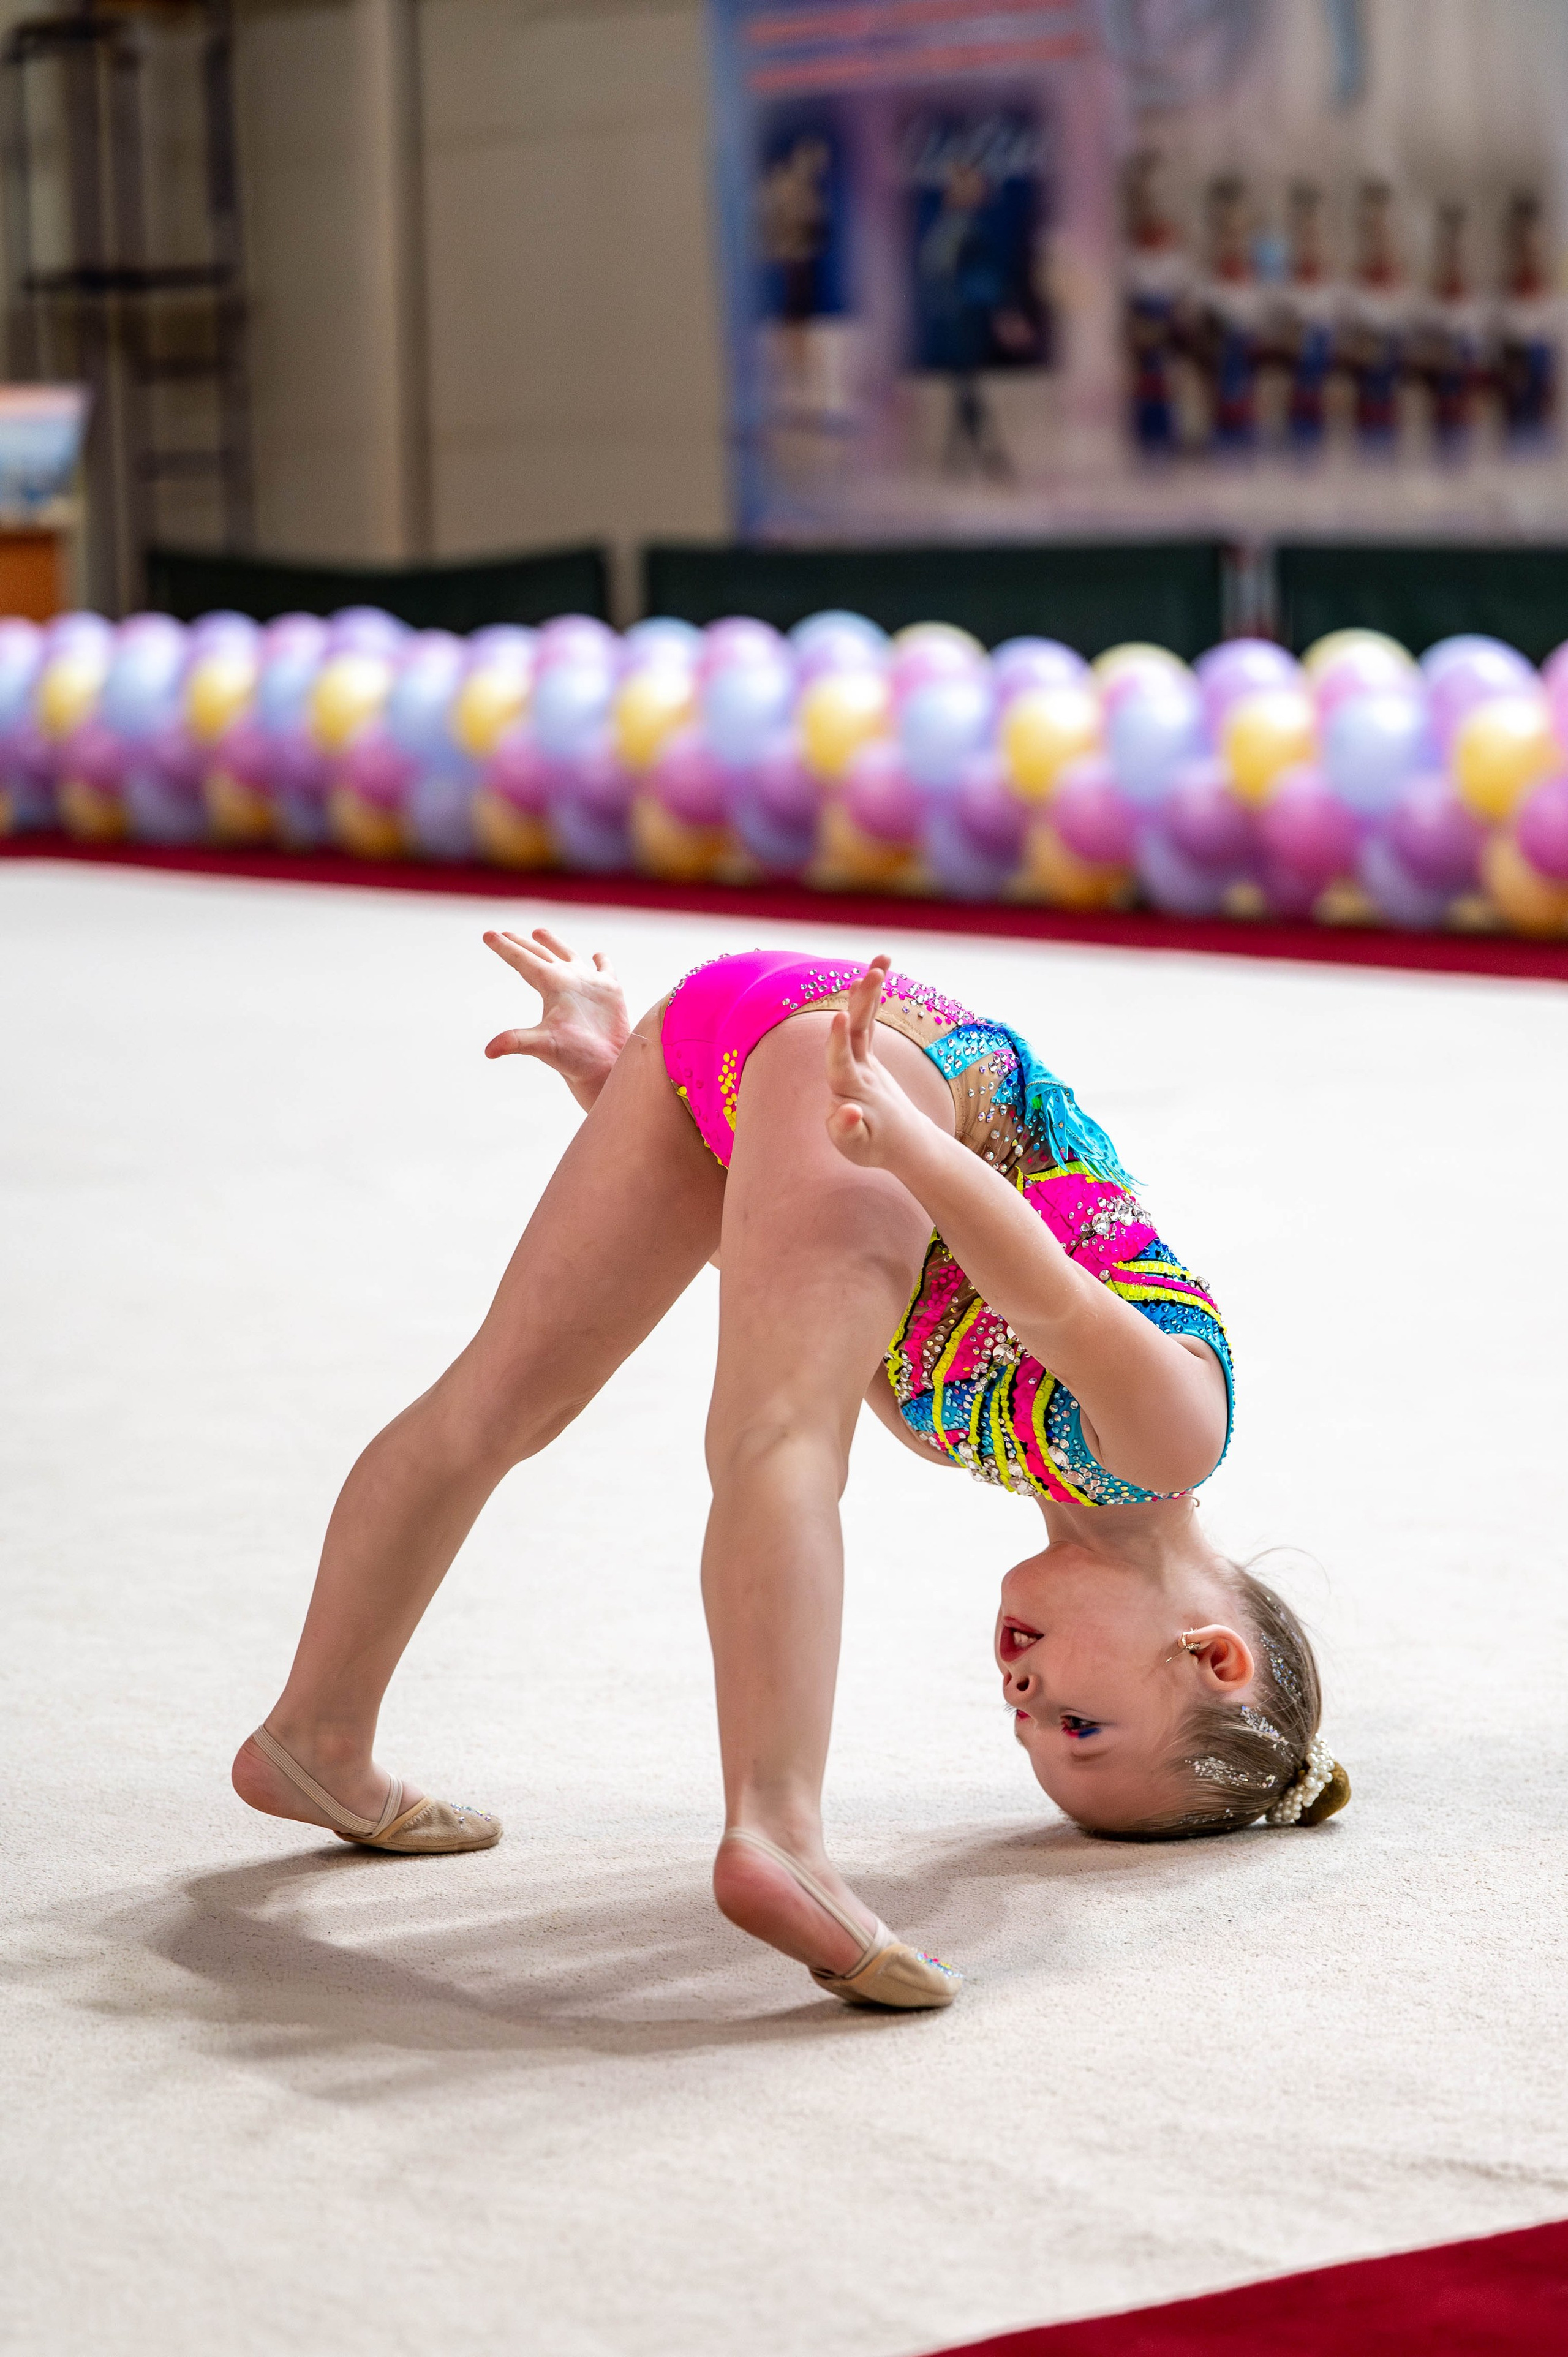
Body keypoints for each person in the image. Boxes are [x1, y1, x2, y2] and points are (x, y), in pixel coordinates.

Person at [234, 935, 1349, 2011]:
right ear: (1212, 1655)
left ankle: (316, 1735)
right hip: (894, 1064)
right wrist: (912, 1146)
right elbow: (1049, 1293)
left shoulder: (955, 1434)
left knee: (491, 1410)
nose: (1024, 1702)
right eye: (1081, 1726)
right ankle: (779, 1833)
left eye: (1034, 1735)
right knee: (781, 1444)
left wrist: (630, 1098)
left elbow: (783, 1257)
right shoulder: (1170, 1441)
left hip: (748, 1046)